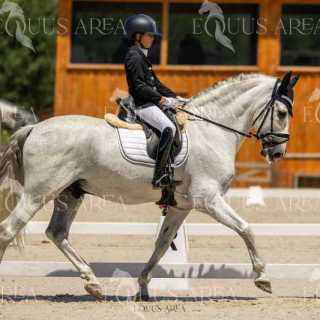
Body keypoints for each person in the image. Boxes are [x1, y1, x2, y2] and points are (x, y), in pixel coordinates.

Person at [124, 14, 182, 189]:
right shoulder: (134, 56)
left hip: (150, 103)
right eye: (149, 36)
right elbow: (139, 87)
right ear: (137, 36)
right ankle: (160, 174)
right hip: (142, 105)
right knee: (169, 128)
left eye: (152, 36)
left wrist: (175, 97)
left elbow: (155, 83)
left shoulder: (142, 56)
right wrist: (162, 100)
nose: (152, 39)